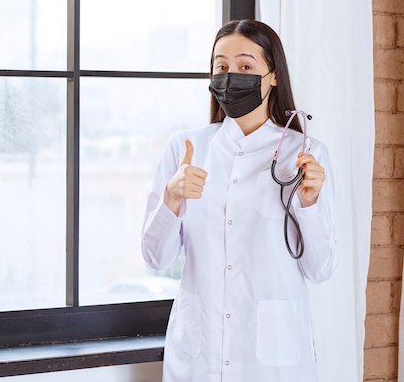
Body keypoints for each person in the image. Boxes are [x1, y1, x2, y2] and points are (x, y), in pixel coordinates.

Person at [141, 19, 337, 382]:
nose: (232, 76)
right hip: (198, 355)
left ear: (274, 75)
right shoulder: (186, 148)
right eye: (222, 66)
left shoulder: (305, 154)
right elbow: (156, 257)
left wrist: (309, 205)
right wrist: (171, 197)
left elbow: (320, 269)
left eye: (246, 67)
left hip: (273, 362)